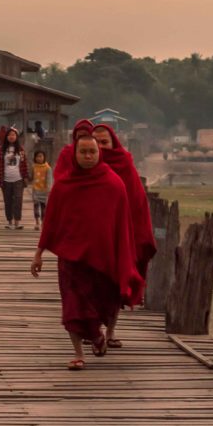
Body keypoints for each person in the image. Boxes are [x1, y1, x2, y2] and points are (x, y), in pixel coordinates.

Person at [30, 126, 143, 371]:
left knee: (101, 303)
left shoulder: (114, 184)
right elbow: (51, 220)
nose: (89, 156)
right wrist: (39, 252)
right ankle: (78, 353)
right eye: (84, 152)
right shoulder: (63, 185)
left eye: (93, 151)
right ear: (75, 154)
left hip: (103, 258)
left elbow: (123, 226)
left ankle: (98, 336)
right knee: (72, 305)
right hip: (71, 258)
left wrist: (125, 257)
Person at [92, 124, 157, 348]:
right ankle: (95, 329)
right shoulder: (87, 165)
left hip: (123, 237)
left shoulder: (124, 163)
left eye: (104, 143)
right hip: (96, 238)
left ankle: (110, 332)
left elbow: (137, 202)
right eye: (96, 143)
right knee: (94, 285)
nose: (101, 148)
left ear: (113, 143)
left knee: (116, 287)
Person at [0, 126, 28, 229]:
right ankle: (9, 222)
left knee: (18, 200)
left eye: (13, 135)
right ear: (6, 137)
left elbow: (24, 164)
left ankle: (17, 222)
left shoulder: (20, 149)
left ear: (16, 137)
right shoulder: (1, 150)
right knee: (8, 201)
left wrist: (26, 177)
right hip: (5, 179)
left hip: (18, 178)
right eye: (9, 135)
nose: (11, 137)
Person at [30, 148, 53, 230]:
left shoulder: (47, 168)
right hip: (35, 190)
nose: (39, 158)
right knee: (36, 206)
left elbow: (49, 179)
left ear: (44, 157)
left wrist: (49, 189)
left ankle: (43, 222)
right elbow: (31, 176)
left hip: (44, 191)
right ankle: (37, 222)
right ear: (35, 158)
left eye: (41, 156)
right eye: (37, 157)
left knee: (43, 208)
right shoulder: (34, 167)